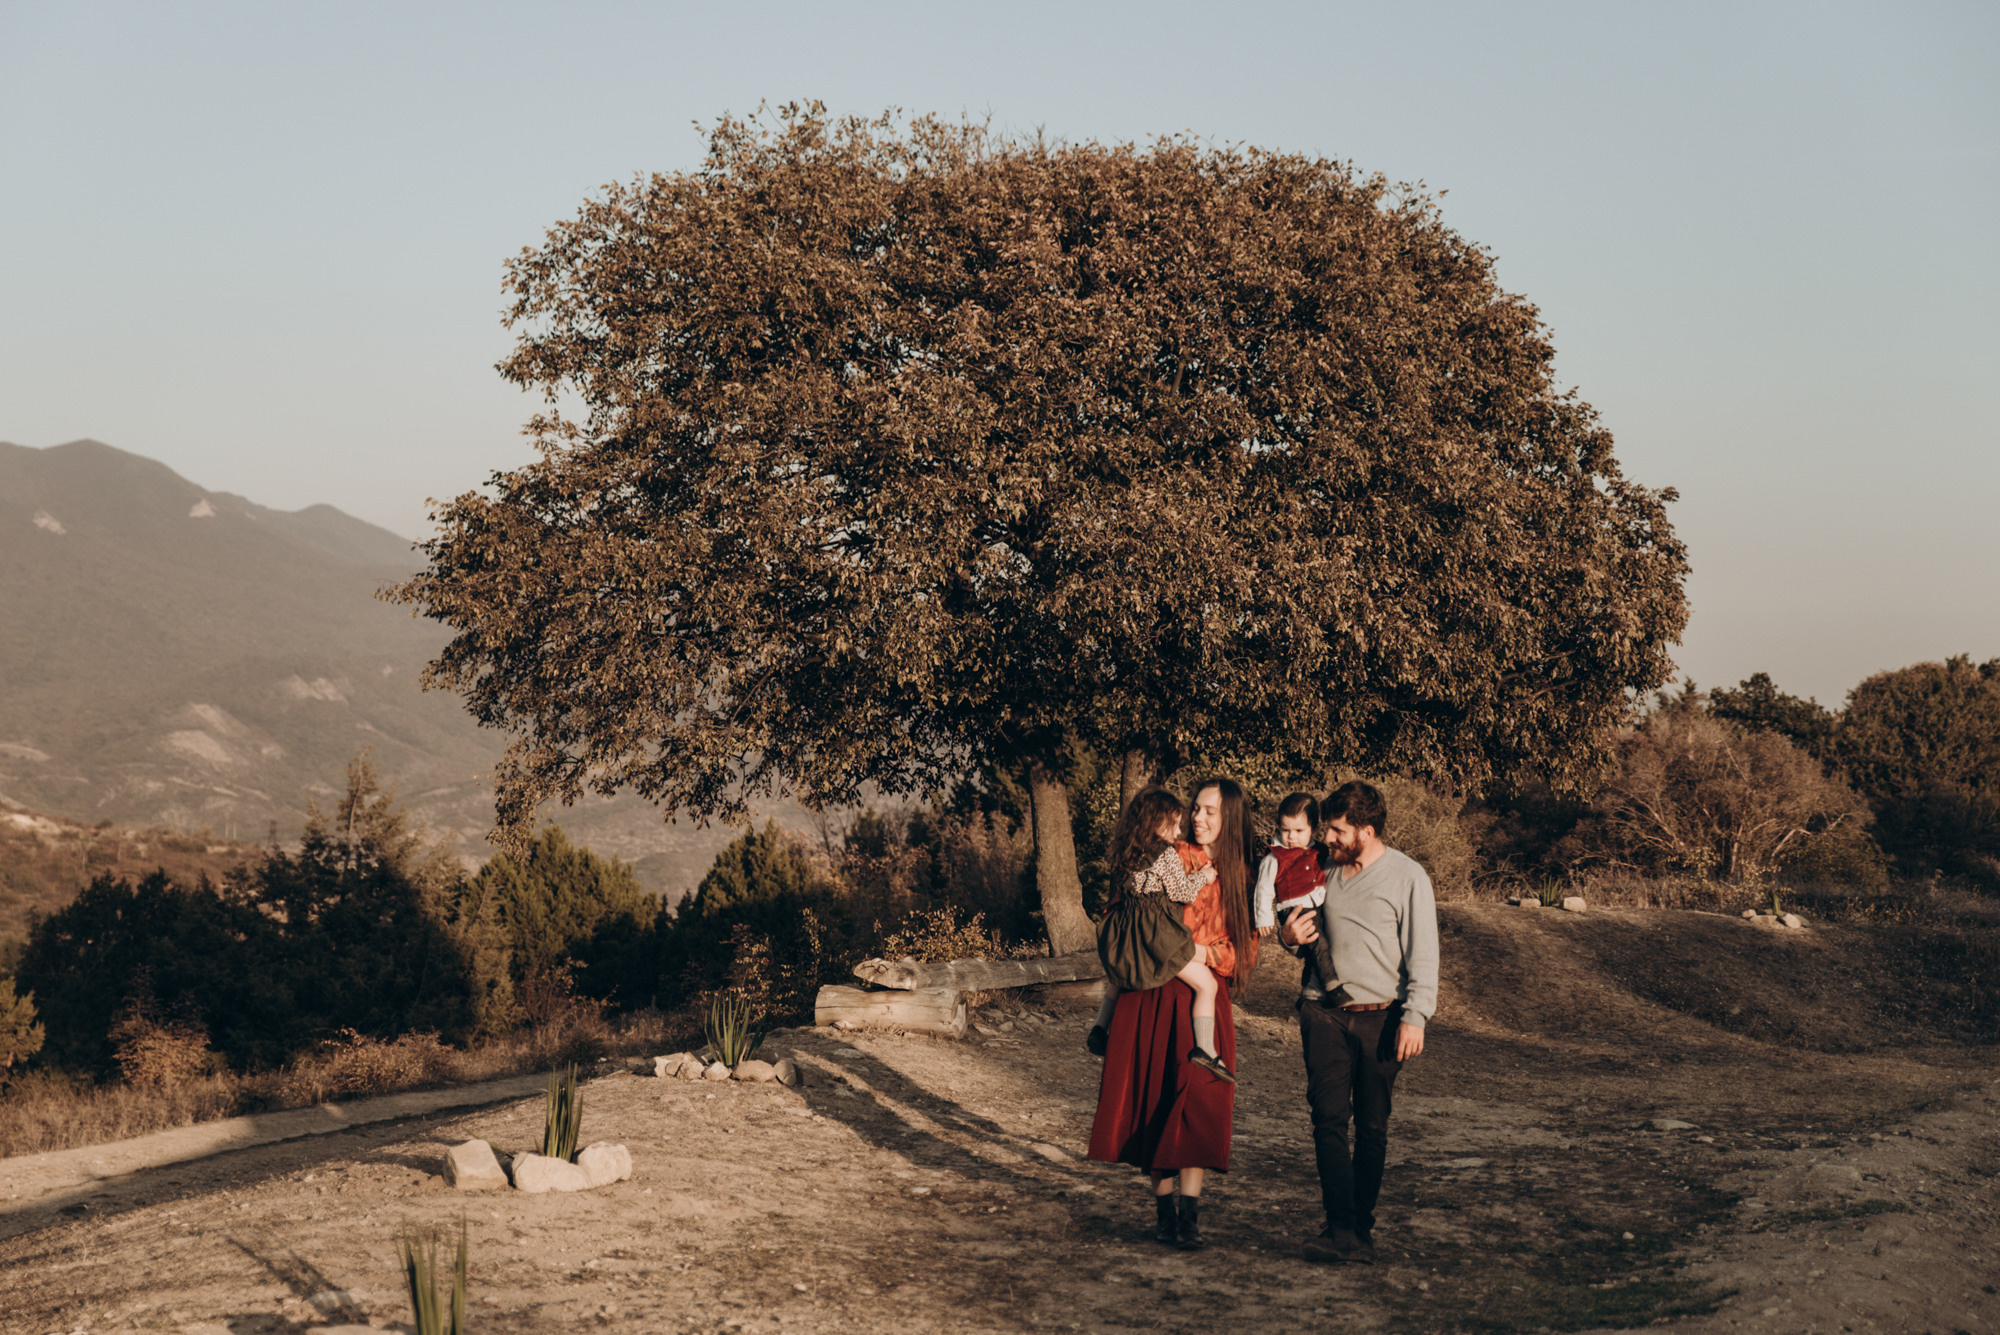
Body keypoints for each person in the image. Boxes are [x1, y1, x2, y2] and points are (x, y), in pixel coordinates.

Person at [1089, 778, 1260, 1250]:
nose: (1199, 819)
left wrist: (1201, 956)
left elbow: (1243, 954)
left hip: (1202, 1000)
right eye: (1196, 809)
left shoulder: (1244, 877)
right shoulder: (1167, 852)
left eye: (1211, 812)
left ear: (1231, 820)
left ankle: (1190, 1218)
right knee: (1153, 1102)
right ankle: (1165, 1217)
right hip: (1150, 994)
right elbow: (1120, 918)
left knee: (1199, 1104)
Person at [1279, 780, 1438, 1265]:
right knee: (1328, 1120)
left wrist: (1416, 1016)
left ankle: (1361, 1230)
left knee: (1372, 1127)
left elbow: (1424, 953)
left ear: (1366, 831)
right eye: (1328, 829)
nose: (1327, 838)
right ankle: (1338, 1227)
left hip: (1383, 1020)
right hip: (1322, 1013)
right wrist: (1288, 936)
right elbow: (1299, 928)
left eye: (1337, 831)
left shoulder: (1408, 877)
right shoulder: (1322, 869)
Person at [1087, 786, 1231, 1082]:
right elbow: (1180, 893)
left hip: (1126, 929)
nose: (1180, 831)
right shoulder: (1165, 854)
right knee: (1206, 985)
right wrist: (1202, 877)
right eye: (1175, 823)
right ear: (1157, 823)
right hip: (1154, 932)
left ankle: (1100, 1027)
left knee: (1119, 976)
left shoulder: (1128, 851)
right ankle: (1205, 1047)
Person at [1253, 790, 1326, 937]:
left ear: (1314, 830)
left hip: (1319, 906)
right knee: (1318, 947)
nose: (1291, 836)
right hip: (1294, 909)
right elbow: (1263, 888)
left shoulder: (1319, 851)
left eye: (1299, 830)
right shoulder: (1275, 856)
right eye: (1285, 830)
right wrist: (1263, 917)